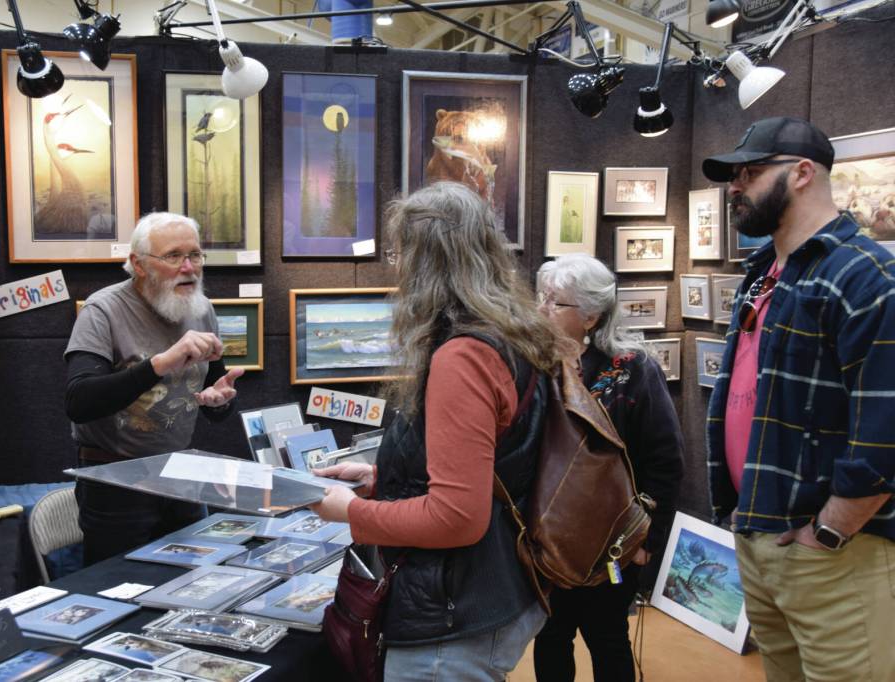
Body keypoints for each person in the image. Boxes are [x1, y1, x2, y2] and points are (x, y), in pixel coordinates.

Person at [312, 181, 571, 681]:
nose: (396, 268)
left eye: (398, 253)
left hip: (452, 618)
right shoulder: (512, 334)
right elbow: (489, 463)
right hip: (496, 589)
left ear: (425, 261)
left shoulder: (464, 356)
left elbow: (456, 518)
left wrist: (354, 512)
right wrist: (379, 477)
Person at [702, 117, 895, 681]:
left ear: (804, 173)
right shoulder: (765, 274)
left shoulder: (866, 276)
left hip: (833, 554)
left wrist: (830, 530)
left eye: (753, 172)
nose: (736, 185)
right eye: (736, 174)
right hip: (760, 537)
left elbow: (887, 428)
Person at [532, 254, 684, 682]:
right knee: (550, 636)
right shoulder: (535, 367)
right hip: (550, 540)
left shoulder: (634, 370)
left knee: (608, 638)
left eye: (555, 302)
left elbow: (666, 462)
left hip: (616, 541)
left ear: (591, 315)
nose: (542, 308)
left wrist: (647, 540)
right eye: (542, 297)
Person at [65, 211, 243, 565]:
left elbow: (212, 393)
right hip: (116, 483)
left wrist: (218, 402)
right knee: (120, 592)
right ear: (139, 264)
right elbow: (79, 400)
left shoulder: (201, 308)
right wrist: (160, 363)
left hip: (180, 477)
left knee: (190, 584)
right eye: (174, 256)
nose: (189, 267)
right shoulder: (103, 310)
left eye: (195, 255)